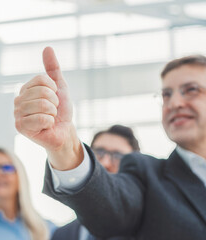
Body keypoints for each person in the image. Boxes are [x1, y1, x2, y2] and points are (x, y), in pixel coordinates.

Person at [14, 47, 206, 239]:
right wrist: (65, 147)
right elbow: (110, 207)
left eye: (191, 90)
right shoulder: (146, 175)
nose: (174, 103)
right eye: (166, 95)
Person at [51, 125, 140, 240]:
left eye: (118, 156)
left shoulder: (147, 232)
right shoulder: (61, 235)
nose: (105, 163)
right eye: (99, 152)